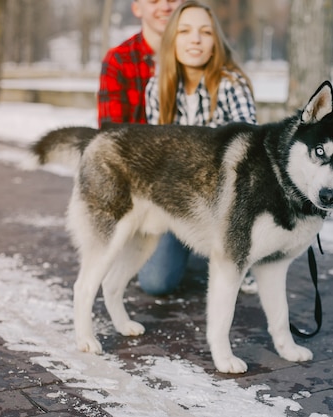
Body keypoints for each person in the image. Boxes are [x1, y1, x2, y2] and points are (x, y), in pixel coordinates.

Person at [138, 0, 257, 295]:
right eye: (185, 31)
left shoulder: (232, 84)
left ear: (215, 42)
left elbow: (248, 153)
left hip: (223, 203)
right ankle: (188, 249)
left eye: (205, 32)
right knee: (154, 283)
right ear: (172, 40)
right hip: (178, 202)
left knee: (226, 276)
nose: (195, 39)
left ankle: (245, 252)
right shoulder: (157, 88)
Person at [97, 0, 183, 127]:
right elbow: (110, 135)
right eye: (154, 1)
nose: (165, 7)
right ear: (137, 8)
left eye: (172, 0)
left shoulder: (200, 56)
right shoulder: (118, 60)